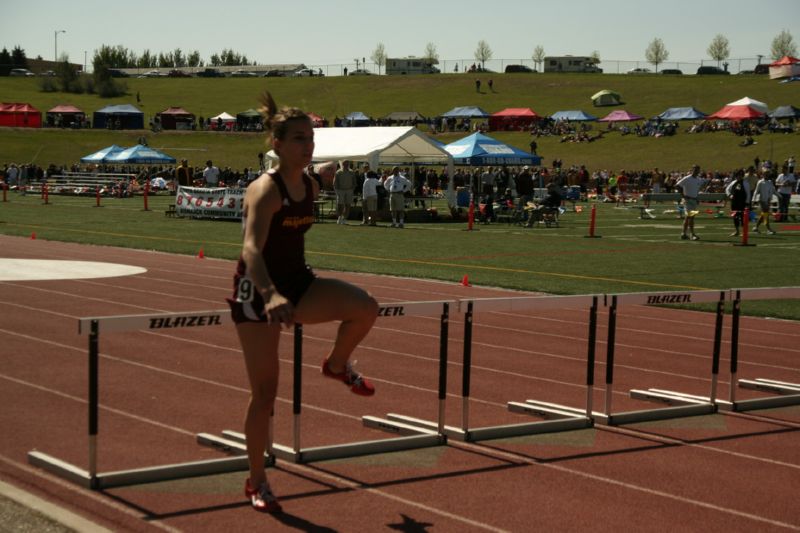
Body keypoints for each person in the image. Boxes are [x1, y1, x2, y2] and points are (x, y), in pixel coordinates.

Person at [227, 92, 378, 514]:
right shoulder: (265, 190)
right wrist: (270, 294)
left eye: (311, 138)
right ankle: (256, 480)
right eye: (298, 139)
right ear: (276, 144)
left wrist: (328, 172)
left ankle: (334, 366)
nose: (308, 146)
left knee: (365, 307)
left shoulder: (309, 184)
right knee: (265, 393)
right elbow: (252, 250)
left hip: (298, 284)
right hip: (257, 293)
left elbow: (315, 186)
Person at [675, 164, 703, 241]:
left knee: (688, 217)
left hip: (694, 200)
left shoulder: (698, 179)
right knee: (691, 217)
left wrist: (697, 198)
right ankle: (692, 234)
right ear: (692, 170)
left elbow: (696, 190)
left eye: (698, 169)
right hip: (688, 201)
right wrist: (683, 196)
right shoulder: (687, 178)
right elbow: (677, 185)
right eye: (695, 169)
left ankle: (683, 234)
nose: (697, 171)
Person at [725, 170, 748, 237]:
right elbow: (727, 189)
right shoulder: (733, 182)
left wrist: (747, 202)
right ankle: (737, 231)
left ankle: (744, 231)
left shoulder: (745, 183)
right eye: (738, 175)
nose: (739, 176)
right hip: (734, 202)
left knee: (743, 217)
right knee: (735, 217)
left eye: (740, 175)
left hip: (742, 202)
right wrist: (730, 195)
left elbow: (748, 193)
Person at [333, 160, 356, 224]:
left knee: (348, 205)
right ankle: (339, 217)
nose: (346, 165)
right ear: (342, 164)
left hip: (349, 190)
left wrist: (352, 189)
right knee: (340, 205)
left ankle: (344, 218)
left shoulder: (351, 172)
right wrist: (336, 190)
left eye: (347, 164)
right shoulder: (338, 172)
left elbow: (354, 181)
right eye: (345, 164)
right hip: (340, 190)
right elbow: (335, 182)